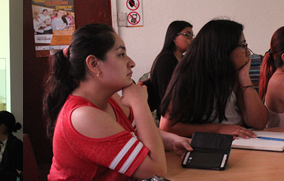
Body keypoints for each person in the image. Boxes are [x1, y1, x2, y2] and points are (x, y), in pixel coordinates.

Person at [45, 24, 193, 180]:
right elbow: (155, 170)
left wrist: (173, 140)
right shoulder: (83, 115)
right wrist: (140, 104)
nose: (131, 62)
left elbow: (141, 133)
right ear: (94, 64)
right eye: (121, 54)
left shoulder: (112, 99)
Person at [158, 19, 268, 138]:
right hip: (204, 145)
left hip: (235, 143)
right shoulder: (188, 77)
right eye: (243, 46)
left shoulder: (233, 75)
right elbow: (166, 127)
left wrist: (244, 77)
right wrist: (218, 129)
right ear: (223, 49)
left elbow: (258, 122)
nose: (248, 52)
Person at [147, 21, 193, 110]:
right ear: (174, 37)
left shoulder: (183, 59)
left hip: (182, 108)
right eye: (188, 35)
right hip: (170, 114)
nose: (191, 39)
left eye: (192, 35)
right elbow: (167, 95)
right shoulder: (165, 60)